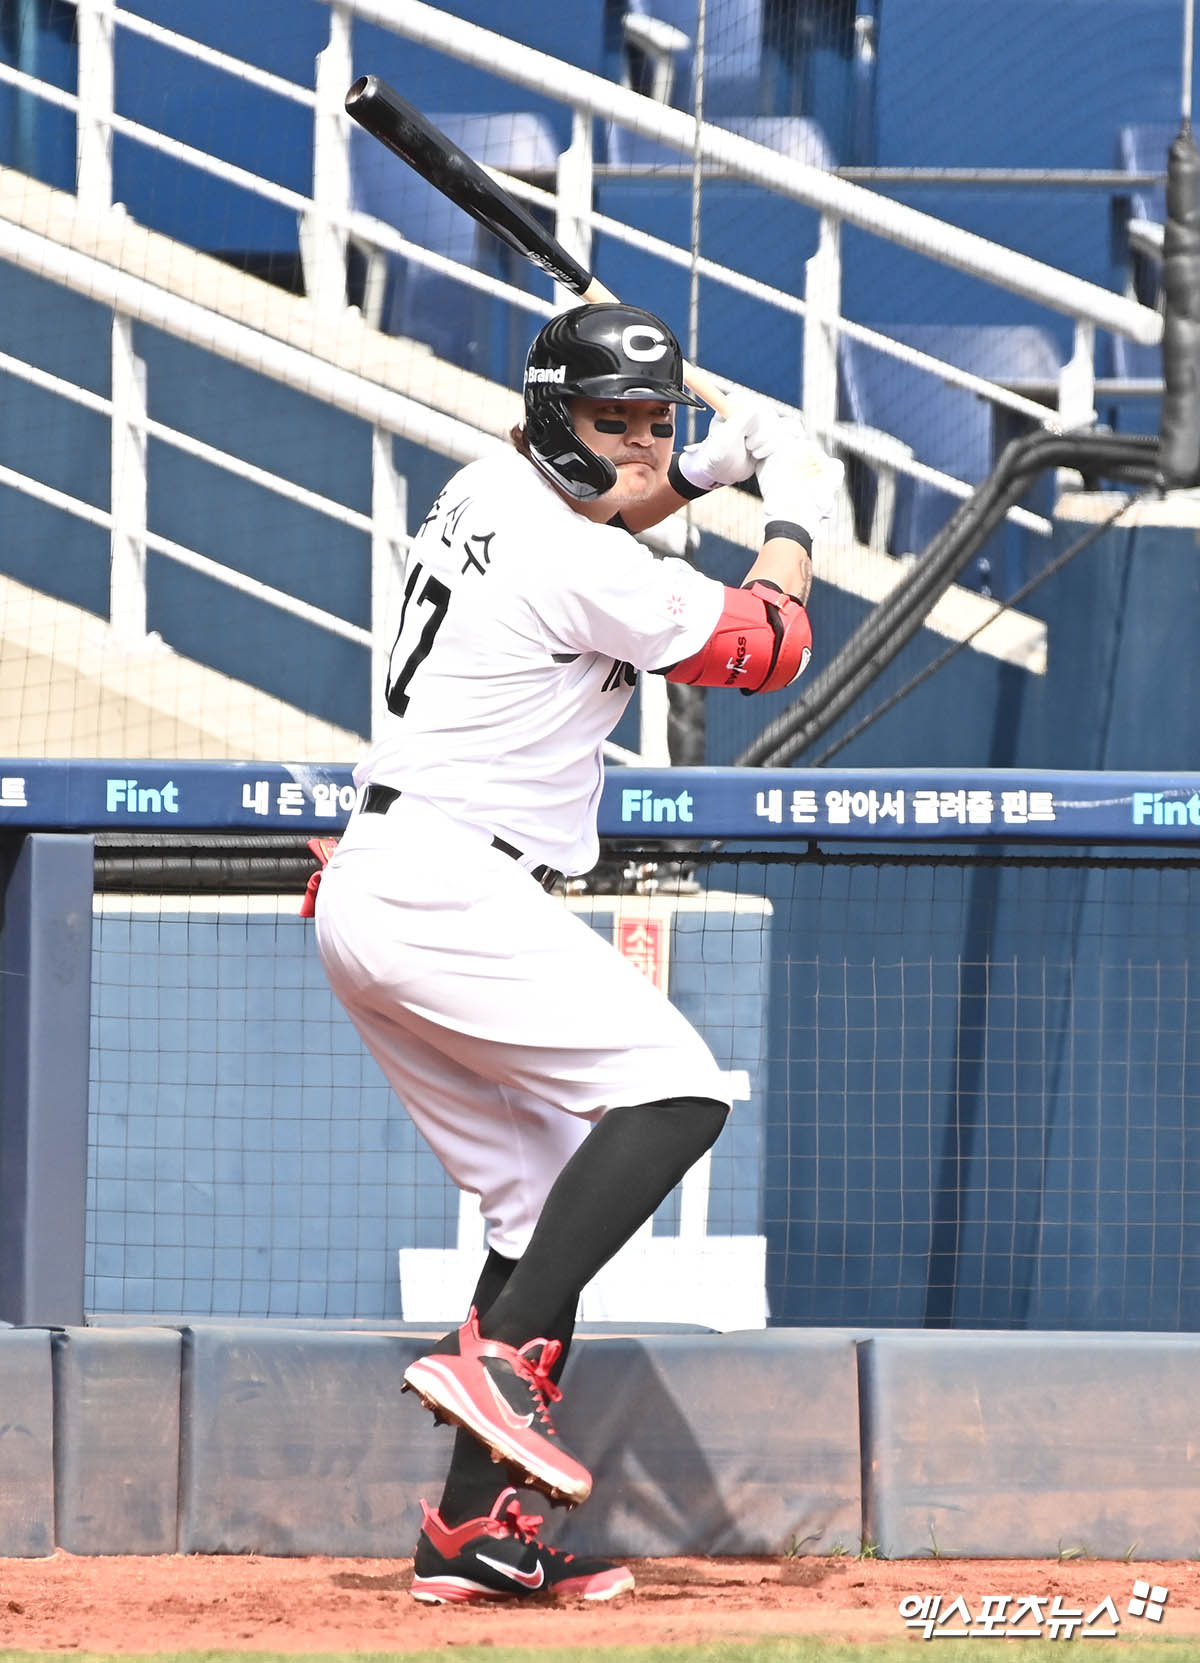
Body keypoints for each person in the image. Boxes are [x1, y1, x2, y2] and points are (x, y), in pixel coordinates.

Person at [313, 301, 843, 1604]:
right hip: (444, 884)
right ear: (556, 420)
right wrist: (794, 509)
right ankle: (495, 1364)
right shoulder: (584, 561)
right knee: (677, 1093)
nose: (639, 445)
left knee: (541, 1206)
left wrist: (704, 466)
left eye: (656, 422)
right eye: (614, 423)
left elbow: (611, 506)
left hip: (385, 884)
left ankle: (469, 1533)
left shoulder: (487, 482)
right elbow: (765, 647)